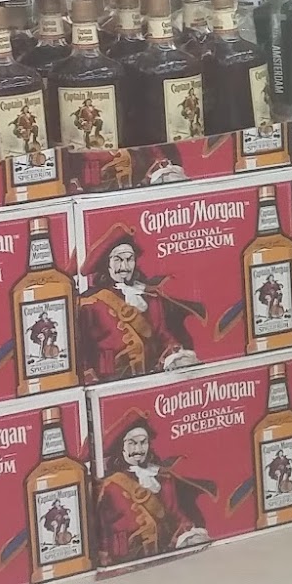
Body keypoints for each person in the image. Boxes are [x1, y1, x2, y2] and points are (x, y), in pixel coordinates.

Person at [76, 235, 203, 384]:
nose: (124, 266)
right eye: (118, 260)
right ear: (106, 264)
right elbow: (81, 352)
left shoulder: (151, 298)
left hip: (150, 379)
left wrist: (176, 357)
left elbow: (164, 337)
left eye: (129, 259)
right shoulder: (90, 304)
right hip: (110, 382)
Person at [93, 412, 213, 566]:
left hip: (164, 558)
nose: (138, 449)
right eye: (132, 443)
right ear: (121, 447)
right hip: (127, 564)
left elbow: (177, 517)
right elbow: (102, 532)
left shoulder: (164, 479)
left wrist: (189, 535)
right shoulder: (111, 487)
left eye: (143, 442)